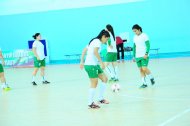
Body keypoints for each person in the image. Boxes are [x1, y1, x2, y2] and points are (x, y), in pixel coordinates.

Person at [80, 30, 110, 109]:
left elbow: (84, 50)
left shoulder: (93, 41)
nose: (106, 41)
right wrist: (101, 62)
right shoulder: (97, 41)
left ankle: (100, 99)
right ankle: (90, 103)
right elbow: (95, 52)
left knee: (105, 79)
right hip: (90, 65)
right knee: (94, 83)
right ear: (103, 36)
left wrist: (81, 61)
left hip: (94, 64)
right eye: (106, 39)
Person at [132, 24, 155, 88]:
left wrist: (146, 54)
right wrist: (133, 56)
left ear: (139, 29)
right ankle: (144, 84)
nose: (135, 32)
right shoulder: (134, 37)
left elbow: (148, 45)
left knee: (144, 68)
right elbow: (134, 47)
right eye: (133, 31)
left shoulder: (144, 35)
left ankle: (151, 77)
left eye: (135, 31)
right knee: (141, 70)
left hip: (144, 56)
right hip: (137, 56)